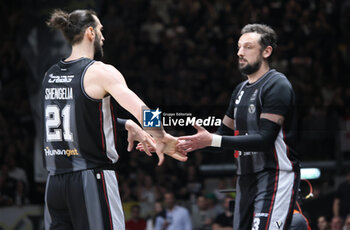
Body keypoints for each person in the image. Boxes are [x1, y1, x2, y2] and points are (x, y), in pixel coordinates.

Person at [43, 9, 187, 230]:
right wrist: (163, 135)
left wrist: (125, 124)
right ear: (90, 32)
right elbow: (143, 110)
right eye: (101, 30)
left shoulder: (50, 75)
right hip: (91, 179)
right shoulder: (100, 71)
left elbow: (75, 121)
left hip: (54, 185)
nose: (104, 36)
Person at [176, 24, 300, 230]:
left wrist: (212, 140)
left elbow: (264, 140)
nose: (240, 52)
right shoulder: (240, 90)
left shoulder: (277, 85)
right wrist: (177, 143)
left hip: (275, 175)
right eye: (239, 47)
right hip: (245, 178)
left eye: (248, 47)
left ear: (267, 51)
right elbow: (223, 134)